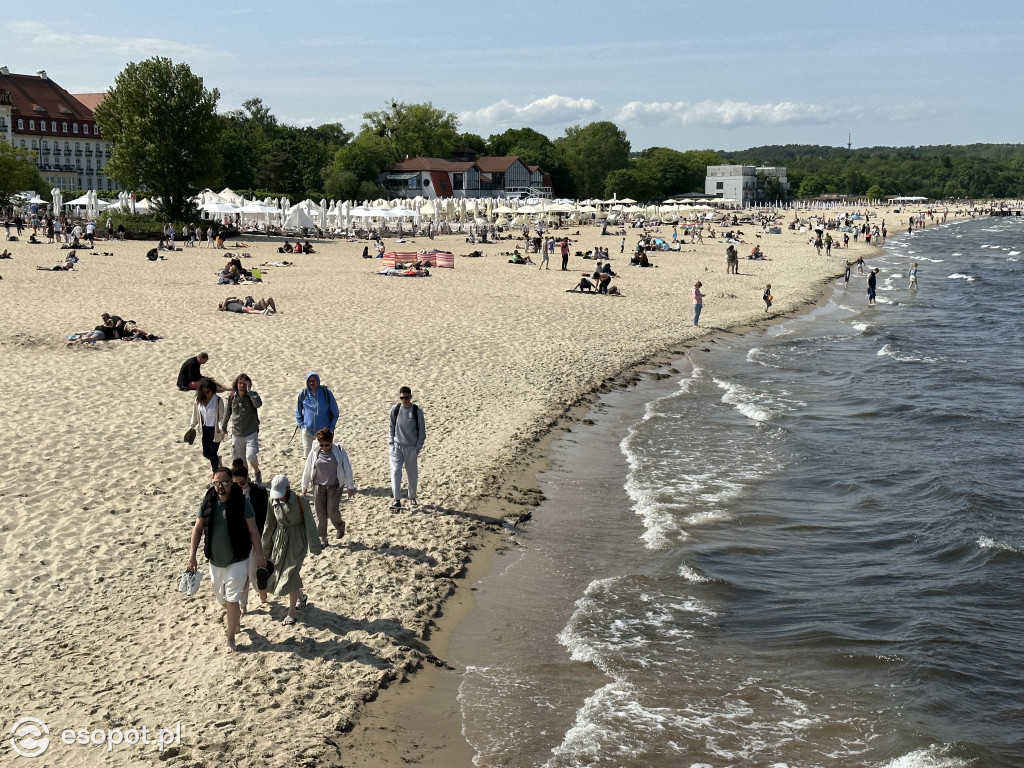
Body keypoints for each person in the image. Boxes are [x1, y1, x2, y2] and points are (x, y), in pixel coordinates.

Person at [185, 467, 267, 653]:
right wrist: (192, 555)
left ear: (231, 482)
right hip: (215, 561)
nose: (220, 486)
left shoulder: (242, 503)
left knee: (231, 599)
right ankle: (234, 615)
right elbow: (198, 529)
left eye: (223, 482)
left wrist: (260, 557)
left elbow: (254, 532)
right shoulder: (208, 501)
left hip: (238, 559)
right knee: (221, 597)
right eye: (216, 483)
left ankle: (230, 638)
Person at [261, 475, 321, 626]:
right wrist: (265, 548)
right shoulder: (271, 501)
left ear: (288, 488)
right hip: (280, 540)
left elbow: (310, 523)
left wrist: (314, 545)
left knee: (291, 572)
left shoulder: (301, 501)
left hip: (297, 539)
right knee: (281, 571)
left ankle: (291, 613)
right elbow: (269, 524)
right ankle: (301, 598)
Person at [301, 427, 356, 548]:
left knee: (332, 511)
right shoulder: (315, 451)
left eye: (327, 445)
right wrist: (304, 486)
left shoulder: (339, 450)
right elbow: (308, 468)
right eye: (322, 445)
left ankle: (340, 525)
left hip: (335, 485)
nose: (324, 447)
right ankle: (323, 538)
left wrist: (350, 486)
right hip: (318, 485)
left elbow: (347, 468)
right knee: (320, 513)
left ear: (331, 442)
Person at [230, 461, 269, 615]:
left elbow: (266, 516)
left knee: (254, 573)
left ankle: (262, 592)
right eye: (236, 484)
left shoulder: (259, 492)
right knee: (242, 576)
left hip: (256, 537)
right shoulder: (230, 495)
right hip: (238, 540)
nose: (240, 486)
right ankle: (243, 605)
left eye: (243, 482)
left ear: (247, 479)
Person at [389, 386, 426, 510]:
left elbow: (422, 432)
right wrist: (391, 443)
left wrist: (418, 448)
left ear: (410, 397)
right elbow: (391, 427)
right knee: (395, 472)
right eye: (402, 398)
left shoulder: (416, 411)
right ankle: (396, 500)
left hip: (411, 447)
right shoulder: (395, 409)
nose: (404, 400)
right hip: (396, 447)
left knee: (412, 474)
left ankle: (412, 498)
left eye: (406, 398)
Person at [224, 373, 263, 485]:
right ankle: (246, 477)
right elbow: (228, 412)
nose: (241, 386)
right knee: (241, 460)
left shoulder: (252, 395)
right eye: (240, 383)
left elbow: (258, 404)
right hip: (236, 432)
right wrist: (223, 426)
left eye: (244, 384)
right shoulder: (232, 396)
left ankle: (257, 472)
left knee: (251, 456)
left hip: (251, 431)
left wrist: (250, 391)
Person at [295, 372, 338, 458]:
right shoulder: (303, 394)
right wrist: (302, 427)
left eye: (314, 380)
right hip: (308, 432)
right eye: (309, 381)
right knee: (308, 459)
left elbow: (335, 413)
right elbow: (298, 412)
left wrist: (331, 428)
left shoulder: (326, 393)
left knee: (325, 458)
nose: (312, 383)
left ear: (318, 381)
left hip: (324, 433)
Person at [189, 378, 227, 472]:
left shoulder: (218, 401)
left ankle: (215, 472)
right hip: (204, 429)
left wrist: (222, 428)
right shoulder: (198, 400)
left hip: (215, 430)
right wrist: (191, 426)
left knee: (213, 452)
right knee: (206, 454)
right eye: (203, 391)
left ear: (213, 390)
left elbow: (222, 417)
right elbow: (195, 414)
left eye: (208, 391)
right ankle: (218, 461)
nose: (205, 394)